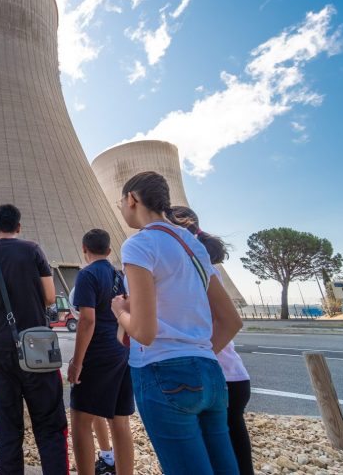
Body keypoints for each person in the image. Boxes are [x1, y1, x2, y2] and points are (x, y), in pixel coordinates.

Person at [111, 171, 243, 475]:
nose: (120, 208)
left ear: (132, 199)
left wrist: (120, 311)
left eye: (121, 202)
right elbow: (231, 320)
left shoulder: (138, 245)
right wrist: (197, 353)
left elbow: (144, 332)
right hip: (210, 373)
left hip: (163, 374)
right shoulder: (193, 244)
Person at [0, 204, 68, 475]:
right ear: (19, 227)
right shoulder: (33, 250)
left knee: (8, 426)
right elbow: (49, 296)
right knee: (49, 424)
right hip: (35, 345)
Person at [167, 206, 253, 475]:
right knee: (231, 458)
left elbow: (231, 322)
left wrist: (199, 357)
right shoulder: (197, 270)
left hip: (218, 380)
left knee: (220, 461)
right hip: (232, 377)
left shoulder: (199, 271)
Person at [68, 229, 134, 475]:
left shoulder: (87, 275)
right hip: (121, 351)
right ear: (108, 251)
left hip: (98, 353)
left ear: (84, 248)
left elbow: (87, 321)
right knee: (120, 420)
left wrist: (77, 362)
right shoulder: (119, 276)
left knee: (81, 420)